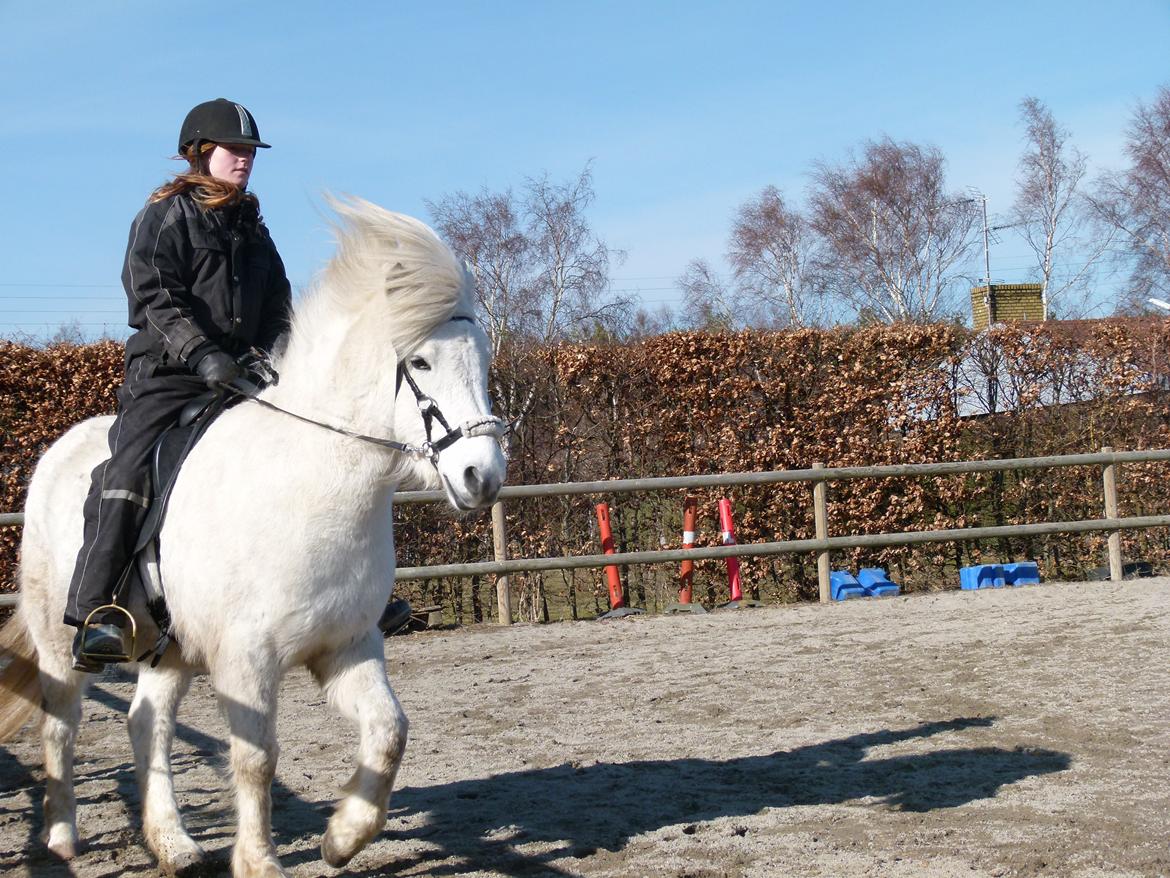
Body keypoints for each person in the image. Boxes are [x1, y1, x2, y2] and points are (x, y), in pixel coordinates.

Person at [65, 98, 292, 671]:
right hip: (166, 378)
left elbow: (281, 307)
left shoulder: (255, 230)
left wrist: (263, 356)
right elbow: (151, 293)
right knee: (127, 471)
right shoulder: (167, 214)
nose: (245, 160)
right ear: (199, 152)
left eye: (249, 152)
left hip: (239, 378)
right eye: (234, 150)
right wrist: (202, 354)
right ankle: (98, 610)